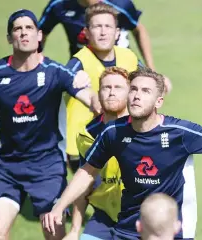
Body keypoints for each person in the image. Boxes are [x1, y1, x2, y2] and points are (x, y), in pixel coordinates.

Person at [42, 67, 202, 240]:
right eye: (133, 89)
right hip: (128, 227)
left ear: (159, 102)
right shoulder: (113, 132)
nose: (136, 96)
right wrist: (60, 207)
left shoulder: (179, 133)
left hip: (168, 230)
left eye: (145, 91)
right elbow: (88, 171)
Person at [0, 9, 99, 240]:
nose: (24, 33)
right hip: (8, 166)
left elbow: (88, 97)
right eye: (17, 29)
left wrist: (102, 98)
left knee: (54, 235)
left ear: (39, 35)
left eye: (29, 28)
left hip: (47, 167)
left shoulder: (55, 72)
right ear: (10, 38)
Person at [61, 2, 143, 173]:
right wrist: (75, 82)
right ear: (86, 33)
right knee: (89, 194)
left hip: (123, 138)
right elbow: (62, 79)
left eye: (108, 26)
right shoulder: (78, 63)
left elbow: (149, 82)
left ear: (117, 32)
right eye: (97, 26)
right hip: (85, 144)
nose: (103, 32)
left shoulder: (129, 57)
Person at [64, 67, 130, 240]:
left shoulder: (143, 129)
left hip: (137, 218)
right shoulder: (87, 134)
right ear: (99, 94)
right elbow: (84, 183)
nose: (111, 92)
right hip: (104, 217)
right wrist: (74, 230)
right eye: (107, 88)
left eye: (118, 88)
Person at [38, 0, 155, 69]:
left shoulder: (120, 4)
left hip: (120, 64)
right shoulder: (59, 5)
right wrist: (39, 63)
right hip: (84, 66)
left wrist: (151, 68)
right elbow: (41, 31)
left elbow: (138, 29)